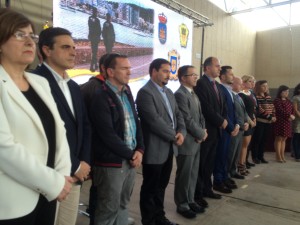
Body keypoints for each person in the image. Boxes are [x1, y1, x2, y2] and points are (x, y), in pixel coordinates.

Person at [0, 8, 72, 225]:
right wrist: (53, 183)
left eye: (32, 36)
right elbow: (4, 148)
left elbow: (60, 131)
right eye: (20, 35)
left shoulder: (40, 83)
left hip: (49, 194)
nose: (30, 42)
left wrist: (62, 176)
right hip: (13, 202)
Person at [33, 27, 91, 225]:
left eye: (74, 47)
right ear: (47, 50)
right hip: (49, 174)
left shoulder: (74, 86)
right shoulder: (34, 81)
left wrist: (84, 162)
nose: (74, 52)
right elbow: (45, 131)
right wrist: (75, 165)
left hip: (75, 176)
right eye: (66, 47)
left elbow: (84, 126)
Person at [88, 53, 144, 225]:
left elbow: (135, 122)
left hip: (130, 159)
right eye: (124, 68)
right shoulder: (100, 95)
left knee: (123, 204)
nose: (130, 71)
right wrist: (131, 154)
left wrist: (140, 150)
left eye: (129, 67)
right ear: (111, 72)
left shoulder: (126, 91)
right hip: (111, 162)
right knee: (108, 208)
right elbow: (107, 134)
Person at [136, 58, 186, 225]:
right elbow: (153, 121)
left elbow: (178, 115)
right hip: (154, 149)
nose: (168, 74)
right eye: (164, 70)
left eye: (169, 71)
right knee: (150, 187)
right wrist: (174, 136)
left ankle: (159, 217)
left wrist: (181, 132)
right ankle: (149, 220)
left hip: (169, 148)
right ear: (154, 71)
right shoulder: (145, 93)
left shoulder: (169, 92)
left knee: (162, 186)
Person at [174, 65, 207, 219]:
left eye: (196, 74)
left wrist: (203, 131)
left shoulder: (193, 93)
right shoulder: (180, 95)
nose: (196, 77)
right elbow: (186, 119)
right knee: (184, 175)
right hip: (187, 141)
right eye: (192, 75)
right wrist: (200, 133)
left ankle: (190, 200)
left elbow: (200, 116)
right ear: (183, 78)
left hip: (197, 140)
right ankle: (182, 204)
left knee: (193, 174)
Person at [194, 57, 227, 201]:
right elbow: (205, 108)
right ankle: (198, 193)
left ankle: (208, 189)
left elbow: (222, 106)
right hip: (207, 131)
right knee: (201, 164)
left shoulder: (217, 85)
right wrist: (221, 121)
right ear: (207, 68)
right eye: (217, 66)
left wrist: (224, 120)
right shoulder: (200, 84)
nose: (220, 68)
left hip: (217, 131)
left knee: (209, 164)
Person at [213, 66, 239, 194]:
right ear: (222, 77)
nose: (233, 76)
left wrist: (236, 125)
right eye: (230, 74)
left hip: (230, 128)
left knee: (226, 155)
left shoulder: (228, 90)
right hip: (224, 129)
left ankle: (224, 177)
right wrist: (230, 127)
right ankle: (218, 181)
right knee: (221, 155)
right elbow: (224, 112)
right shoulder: (220, 89)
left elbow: (233, 111)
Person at [229, 76, 249, 180]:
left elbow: (244, 112)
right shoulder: (230, 96)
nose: (242, 85)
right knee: (231, 153)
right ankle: (228, 174)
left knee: (236, 153)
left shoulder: (239, 96)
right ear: (233, 84)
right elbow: (234, 114)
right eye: (239, 83)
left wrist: (246, 122)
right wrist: (241, 124)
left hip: (241, 129)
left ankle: (233, 171)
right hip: (236, 129)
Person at [251, 80, 276, 164]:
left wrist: (274, 116)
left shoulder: (268, 96)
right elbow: (259, 109)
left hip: (268, 122)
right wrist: (269, 116)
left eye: (266, 86)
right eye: (263, 86)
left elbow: (272, 107)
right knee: (257, 140)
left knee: (264, 140)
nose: (265, 88)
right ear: (258, 87)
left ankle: (261, 156)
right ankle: (255, 157)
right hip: (260, 121)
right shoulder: (256, 96)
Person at [238, 75, 257, 175]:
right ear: (244, 82)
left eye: (253, 81)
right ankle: (240, 165)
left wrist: (254, 118)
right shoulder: (241, 94)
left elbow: (253, 108)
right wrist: (250, 121)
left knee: (246, 145)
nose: (252, 83)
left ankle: (243, 163)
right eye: (250, 81)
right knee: (243, 145)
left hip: (251, 121)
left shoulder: (251, 93)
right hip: (246, 121)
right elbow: (243, 110)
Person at [273, 85, 295, 162]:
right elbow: (280, 110)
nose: (286, 93)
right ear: (280, 92)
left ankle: (282, 155)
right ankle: (278, 156)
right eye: (285, 91)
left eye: (288, 92)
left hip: (287, 121)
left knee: (284, 139)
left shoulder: (289, 101)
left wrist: (292, 116)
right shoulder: (277, 100)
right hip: (280, 121)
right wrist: (289, 115)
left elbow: (292, 110)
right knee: (279, 138)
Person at [88, 7, 101, 72]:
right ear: (95, 12)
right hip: (95, 38)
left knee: (94, 52)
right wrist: (99, 37)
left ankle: (95, 65)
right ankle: (91, 66)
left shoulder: (89, 18)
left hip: (92, 37)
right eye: (96, 12)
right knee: (94, 52)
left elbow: (90, 28)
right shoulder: (97, 20)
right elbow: (99, 30)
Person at [292, 83, 300, 161]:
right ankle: (297, 155)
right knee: (296, 137)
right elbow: (295, 110)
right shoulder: (295, 98)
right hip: (298, 120)